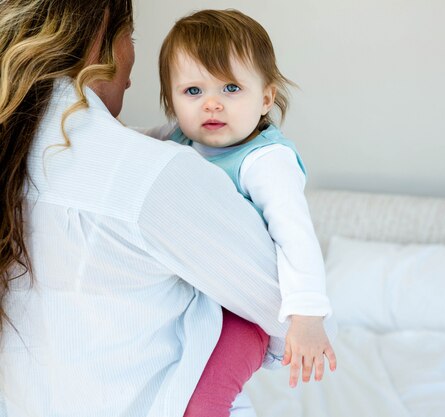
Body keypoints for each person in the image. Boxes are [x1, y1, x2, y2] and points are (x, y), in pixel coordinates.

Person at [0, 1, 289, 416]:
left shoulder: (19, 155)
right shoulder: (155, 175)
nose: (133, 71)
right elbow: (289, 310)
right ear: (102, 36)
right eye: (129, 38)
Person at [143, 9, 337, 416]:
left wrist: (307, 315)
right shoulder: (180, 137)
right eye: (192, 91)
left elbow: (296, 236)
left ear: (265, 98)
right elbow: (131, 147)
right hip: (198, 298)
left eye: (231, 88)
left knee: (205, 401)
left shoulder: (265, 161)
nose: (211, 103)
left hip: (243, 316)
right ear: (171, 100)